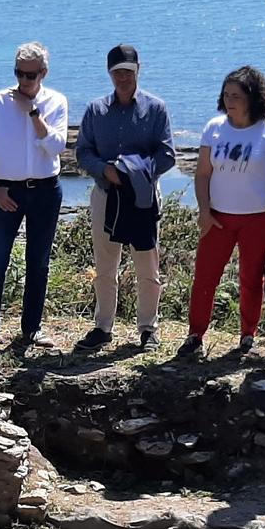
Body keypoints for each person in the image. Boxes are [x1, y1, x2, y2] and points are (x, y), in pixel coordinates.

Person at [0, 42, 68, 360]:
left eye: (31, 75)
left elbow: (56, 147)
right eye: (19, 74)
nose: (24, 80)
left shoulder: (57, 101)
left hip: (45, 190)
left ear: (43, 73)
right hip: (6, 191)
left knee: (38, 262)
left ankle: (31, 328)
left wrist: (33, 113)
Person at [182, 66, 265, 359]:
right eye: (226, 95)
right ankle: (195, 334)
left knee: (251, 278)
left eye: (237, 96)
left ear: (253, 98)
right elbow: (203, 174)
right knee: (205, 277)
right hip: (218, 217)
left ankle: (247, 334)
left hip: (259, 218)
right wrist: (204, 211)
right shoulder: (214, 128)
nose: (230, 101)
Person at [75, 44, 177, 350]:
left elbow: (168, 154)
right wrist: (105, 171)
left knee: (147, 263)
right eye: (118, 72)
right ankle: (103, 327)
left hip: (142, 199)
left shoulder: (155, 108)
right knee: (105, 265)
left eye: (128, 72)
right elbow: (82, 151)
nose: (123, 77)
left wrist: (139, 174)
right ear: (110, 73)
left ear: (138, 71)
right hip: (106, 195)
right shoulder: (96, 110)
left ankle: (148, 329)